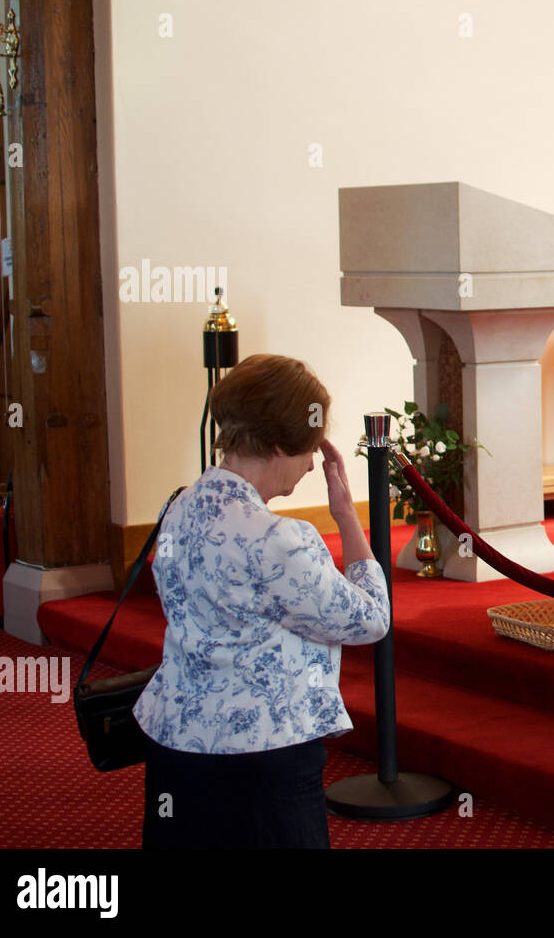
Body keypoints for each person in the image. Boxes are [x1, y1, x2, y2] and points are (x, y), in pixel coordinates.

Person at [134, 354, 391, 847]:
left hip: (178, 744)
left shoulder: (179, 506)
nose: (314, 463)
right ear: (278, 446)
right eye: (310, 450)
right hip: (264, 758)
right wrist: (347, 515)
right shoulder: (278, 539)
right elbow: (371, 619)